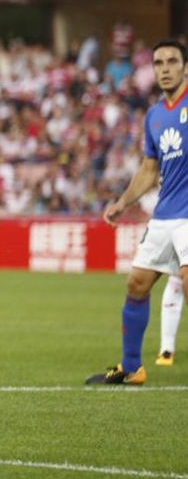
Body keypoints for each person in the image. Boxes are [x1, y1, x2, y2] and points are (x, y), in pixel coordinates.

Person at [86, 39, 188, 385]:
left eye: (172, 61)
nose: (165, 68)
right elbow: (148, 169)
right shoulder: (155, 116)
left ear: (185, 67)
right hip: (165, 214)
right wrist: (122, 202)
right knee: (137, 284)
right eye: (158, 63)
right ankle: (132, 368)